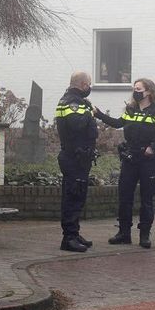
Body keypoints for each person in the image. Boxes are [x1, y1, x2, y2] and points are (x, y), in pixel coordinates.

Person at [95, 78, 155, 248]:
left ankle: (144, 235)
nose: (135, 92)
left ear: (149, 92)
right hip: (130, 158)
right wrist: (98, 114)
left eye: (139, 89)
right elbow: (117, 123)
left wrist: (153, 147)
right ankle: (124, 233)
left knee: (146, 198)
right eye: (134, 89)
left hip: (148, 159)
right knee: (125, 196)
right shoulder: (130, 110)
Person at [54, 71, 99, 252]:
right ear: (82, 84)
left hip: (80, 158)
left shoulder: (79, 102)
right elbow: (77, 125)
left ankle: (75, 232)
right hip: (73, 157)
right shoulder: (71, 102)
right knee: (72, 197)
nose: (89, 87)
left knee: (78, 196)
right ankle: (68, 238)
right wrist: (91, 115)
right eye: (88, 84)